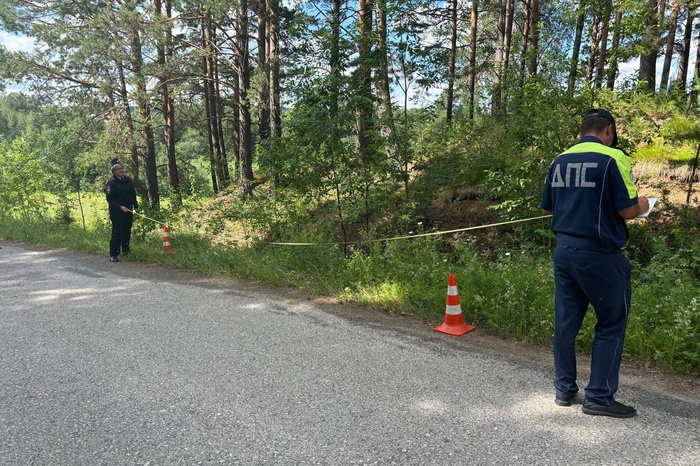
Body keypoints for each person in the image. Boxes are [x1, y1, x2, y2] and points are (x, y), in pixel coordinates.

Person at [540, 109, 649, 418]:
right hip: (600, 254)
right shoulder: (613, 159)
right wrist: (644, 205)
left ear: (580, 133)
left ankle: (564, 389)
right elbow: (628, 211)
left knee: (565, 323)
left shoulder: (559, 161)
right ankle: (599, 396)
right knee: (612, 322)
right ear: (609, 131)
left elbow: (549, 209)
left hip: (564, 252)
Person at [105, 158, 138, 263]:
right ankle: (113, 254)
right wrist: (120, 207)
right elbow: (110, 199)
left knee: (127, 230)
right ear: (114, 171)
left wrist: (136, 207)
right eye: (118, 169)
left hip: (128, 209)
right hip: (117, 212)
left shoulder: (127, 180)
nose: (121, 170)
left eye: (121, 168)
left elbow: (132, 194)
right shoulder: (111, 183)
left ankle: (126, 251)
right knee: (117, 232)